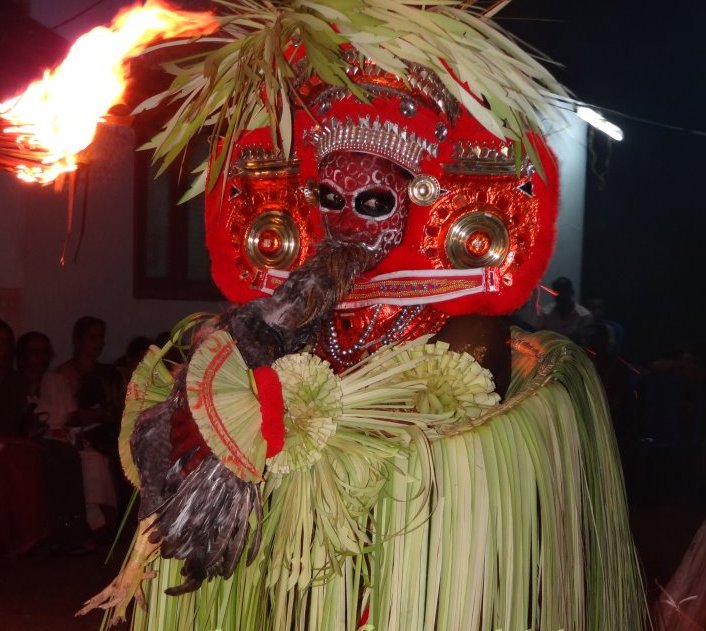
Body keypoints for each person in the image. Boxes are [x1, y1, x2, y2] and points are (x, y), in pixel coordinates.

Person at [79, 3, 645, 630]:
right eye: (329, 200)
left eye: (372, 203)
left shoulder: (464, 327)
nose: (345, 223)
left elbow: (447, 461)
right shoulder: (288, 312)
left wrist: (302, 438)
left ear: (415, 200)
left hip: (408, 561)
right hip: (299, 567)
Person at [537, 276, 594, 344]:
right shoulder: (546, 313)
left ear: (572, 292)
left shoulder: (584, 316)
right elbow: (539, 337)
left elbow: (584, 343)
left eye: (564, 292)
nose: (561, 296)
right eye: (557, 292)